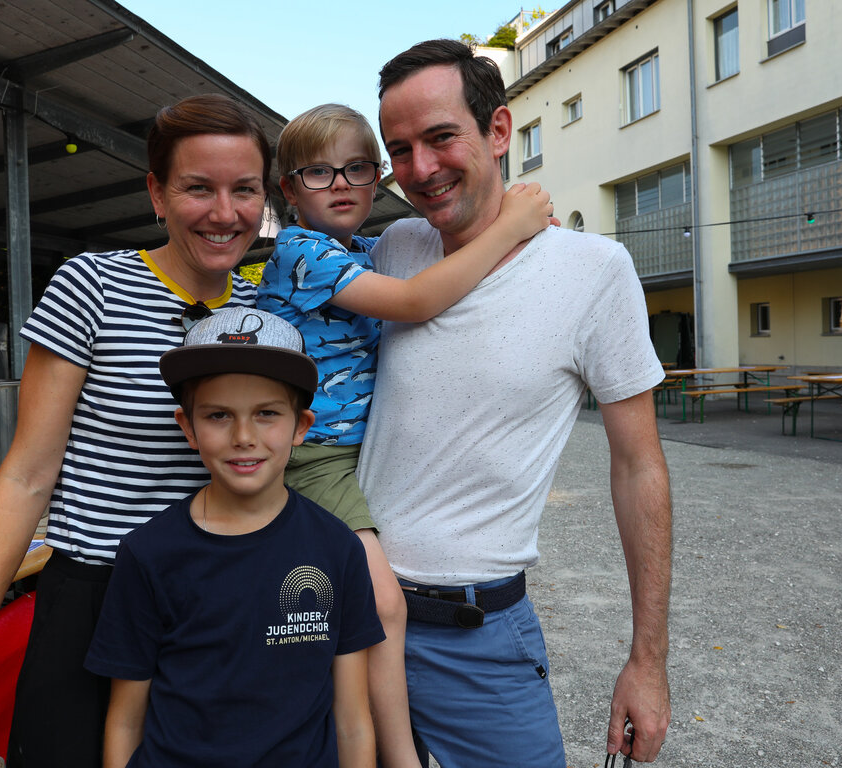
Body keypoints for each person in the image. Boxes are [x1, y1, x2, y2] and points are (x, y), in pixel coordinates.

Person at [0, 94, 271, 768]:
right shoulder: (93, 285)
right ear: (157, 193)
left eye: (243, 190)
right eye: (198, 188)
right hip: (95, 600)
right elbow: (25, 475)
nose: (225, 213)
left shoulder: (269, 314)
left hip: (224, 602)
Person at [356, 39, 672, 767]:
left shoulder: (592, 271)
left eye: (440, 138)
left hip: (475, 637)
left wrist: (646, 662)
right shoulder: (391, 249)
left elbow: (638, 468)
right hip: (351, 620)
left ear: (498, 132)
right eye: (399, 151)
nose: (420, 170)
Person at [256, 102, 554, 767]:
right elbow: (418, 301)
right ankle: (399, 758)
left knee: (348, 612)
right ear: (289, 190)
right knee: (385, 607)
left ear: (375, 178)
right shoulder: (303, 252)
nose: (339, 183)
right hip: (313, 460)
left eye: (356, 168)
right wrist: (510, 225)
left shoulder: (362, 250)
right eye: (317, 172)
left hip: (350, 460)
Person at [85, 307, 385, 767]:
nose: (244, 437)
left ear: (301, 427)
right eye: (219, 415)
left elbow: (352, 719)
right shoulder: (148, 553)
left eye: (266, 413)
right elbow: (126, 719)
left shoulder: (337, 548)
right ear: (188, 428)